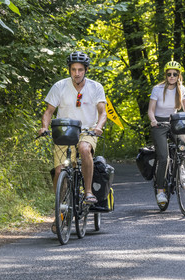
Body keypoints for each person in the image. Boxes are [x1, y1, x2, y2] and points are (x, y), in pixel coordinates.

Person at [38, 51, 107, 220]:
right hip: (64, 132)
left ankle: (88, 191)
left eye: (80, 70)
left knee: (84, 149)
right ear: (69, 69)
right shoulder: (59, 86)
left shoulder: (95, 87)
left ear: (86, 70)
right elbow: (49, 111)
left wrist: (98, 127)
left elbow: (103, 112)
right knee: (60, 170)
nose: (76, 73)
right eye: (73, 69)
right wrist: (44, 127)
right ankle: (60, 214)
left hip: (87, 131)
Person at [147, 60, 185, 204]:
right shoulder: (157, 89)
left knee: (183, 146)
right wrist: (153, 120)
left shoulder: (181, 89)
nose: (172, 76)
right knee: (164, 157)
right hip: (159, 122)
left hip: (174, 121)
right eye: (169, 74)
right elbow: (150, 110)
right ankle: (160, 191)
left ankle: (182, 170)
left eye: (175, 74)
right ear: (166, 75)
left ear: (179, 76)